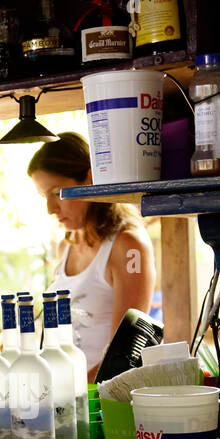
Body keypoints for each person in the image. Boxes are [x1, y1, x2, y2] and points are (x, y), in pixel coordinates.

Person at [28, 131, 155, 379]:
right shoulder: (66, 247)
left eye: (57, 192)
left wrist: (74, 393)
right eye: (44, 196)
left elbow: (126, 353)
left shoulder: (128, 246)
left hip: (99, 401)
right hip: (62, 394)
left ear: (89, 178)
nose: (50, 209)